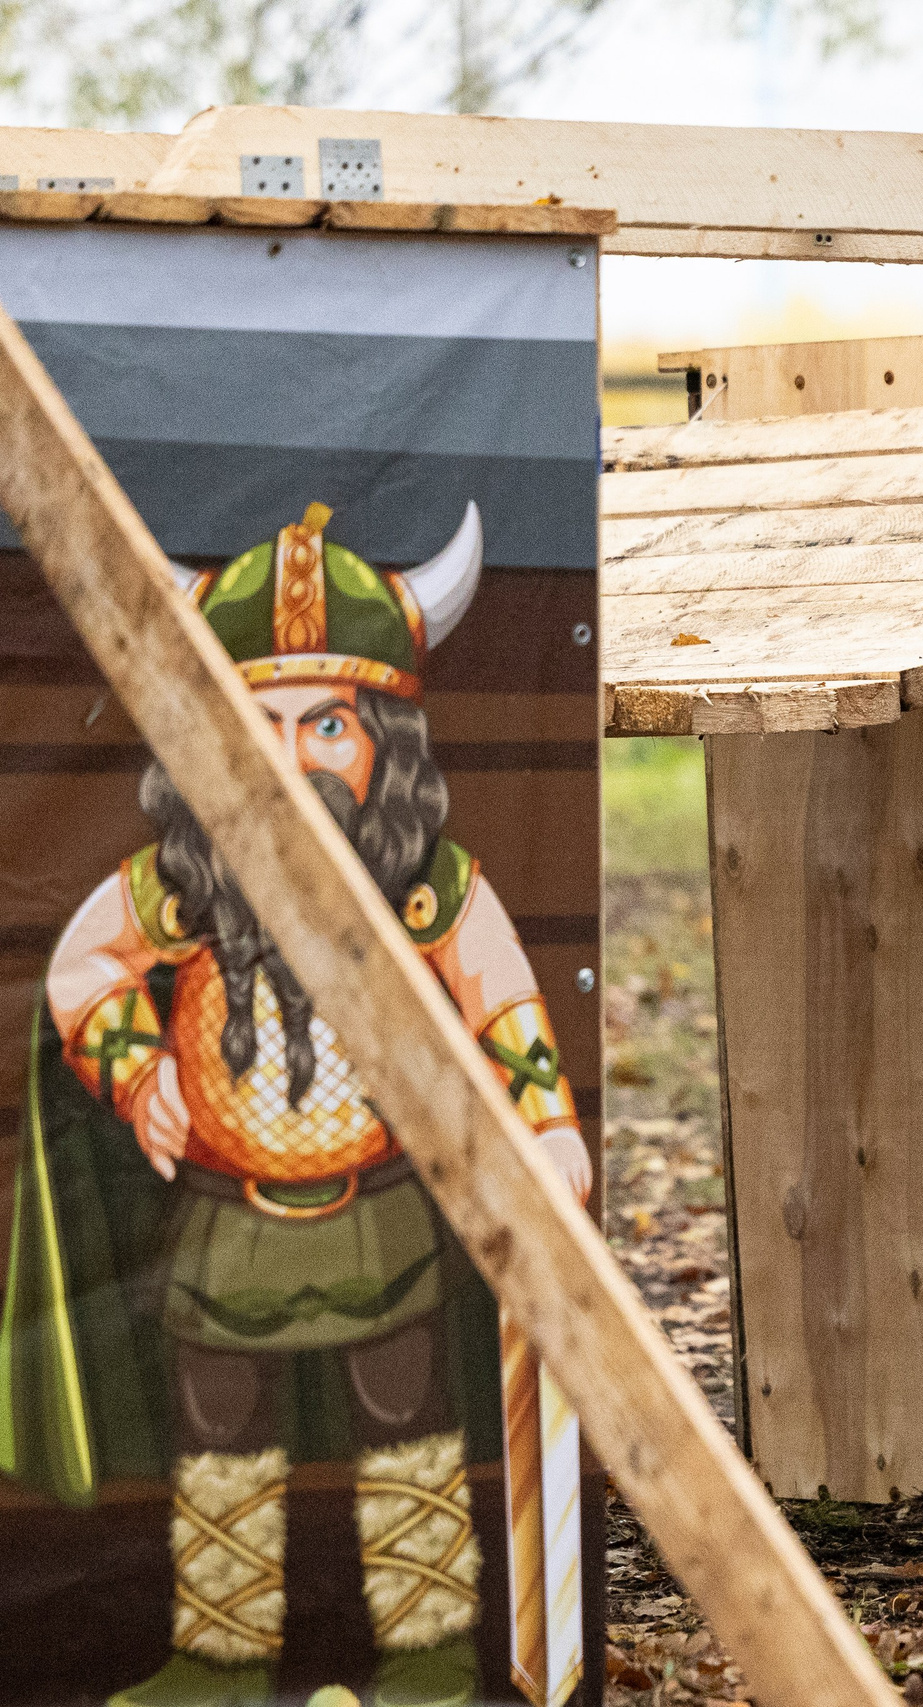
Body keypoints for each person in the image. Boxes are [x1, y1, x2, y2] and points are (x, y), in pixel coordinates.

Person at [8, 503, 589, 1707]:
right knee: (218, 1439)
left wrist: (545, 1127)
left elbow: (501, 997)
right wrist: (141, 1071)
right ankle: (216, 1665)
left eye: (325, 721)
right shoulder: (187, 880)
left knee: (408, 1432)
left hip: (383, 1210)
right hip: (228, 1222)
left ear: (383, 737)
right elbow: (82, 968)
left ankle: (429, 1662)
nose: (293, 754)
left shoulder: (423, 883)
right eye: (259, 723)